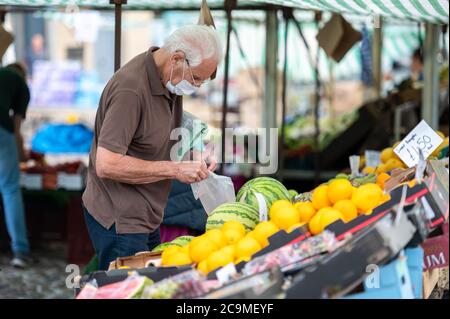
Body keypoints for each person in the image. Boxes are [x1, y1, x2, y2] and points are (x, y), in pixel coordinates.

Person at [82, 25, 223, 270]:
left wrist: (196, 147)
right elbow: (107, 164)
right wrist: (175, 170)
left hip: (148, 213)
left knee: (149, 286)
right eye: (197, 78)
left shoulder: (168, 77)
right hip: (121, 220)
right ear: (177, 58)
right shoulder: (131, 90)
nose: (198, 86)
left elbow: (159, 122)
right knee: (126, 291)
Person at [0, 62, 32, 268]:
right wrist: (22, 156)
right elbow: (16, 128)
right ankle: (20, 251)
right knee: (10, 189)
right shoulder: (21, 84)